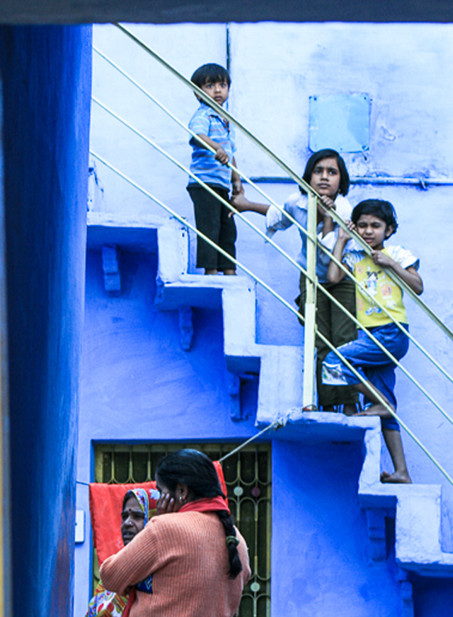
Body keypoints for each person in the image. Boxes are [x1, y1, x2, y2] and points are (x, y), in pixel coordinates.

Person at [231, 148, 360, 412]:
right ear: (308, 176)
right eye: (318, 171)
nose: (324, 177)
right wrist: (246, 205)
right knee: (321, 342)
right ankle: (327, 402)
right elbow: (279, 215)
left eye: (332, 172)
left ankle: (347, 403)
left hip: (342, 279)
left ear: (341, 180)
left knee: (344, 340)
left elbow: (328, 249)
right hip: (312, 279)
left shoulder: (345, 210)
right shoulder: (297, 201)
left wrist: (327, 218)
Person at [323, 198, 424, 484]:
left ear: (389, 230)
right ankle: (401, 472)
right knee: (385, 411)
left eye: (376, 226)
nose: (369, 231)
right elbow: (332, 277)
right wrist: (343, 239)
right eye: (363, 225)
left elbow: (417, 286)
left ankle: (381, 402)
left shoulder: (398, 253)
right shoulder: (356, 257)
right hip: (369, 335)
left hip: (392, 332)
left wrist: (391, 264)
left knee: (334, 361)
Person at [100, 449, 251, 617]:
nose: (158, 500)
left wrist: (164, 522)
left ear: (181, 492)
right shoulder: (238, 540)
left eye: (161, 492)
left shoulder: (164, 528)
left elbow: (110, 576)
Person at [186, 63, 243, 275]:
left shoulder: (227, 121)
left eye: (222, 85)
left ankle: (228, 270)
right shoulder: (203, 115)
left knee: (227, 229)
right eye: (210, 85)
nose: (217, 90)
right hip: (203, 183)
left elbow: (231, 153)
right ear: (198, 92)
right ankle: (210, 271)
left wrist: (237, 182)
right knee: (210, 227)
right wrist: (216, 146)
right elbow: (197, 135)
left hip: (221, 184)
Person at [86, 489, 155, 617]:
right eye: (124, 517)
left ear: (153, 519)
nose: (127, 523)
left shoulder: (159, 575)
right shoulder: (115, 569)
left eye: (137, 516)